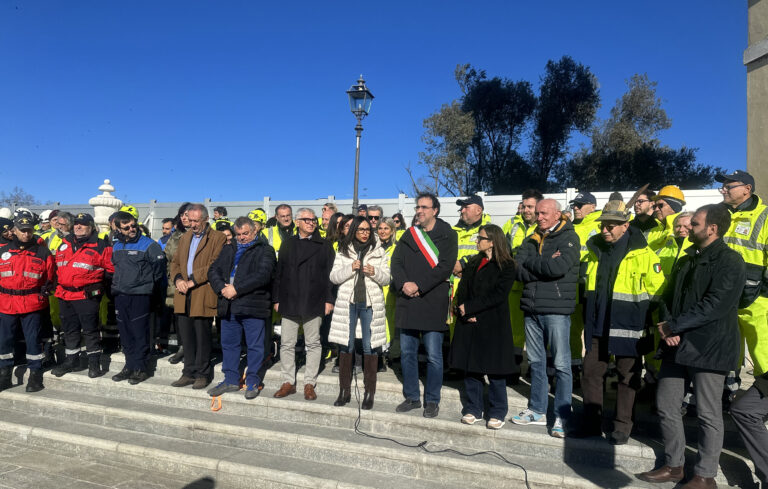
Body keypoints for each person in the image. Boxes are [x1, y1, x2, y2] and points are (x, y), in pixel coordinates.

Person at [638, 204, 745, 489]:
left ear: (712, 228)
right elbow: (668, 296)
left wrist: (676, 326)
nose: (687, 228)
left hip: (710, 347)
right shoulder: (687, 259)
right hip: (677, 345)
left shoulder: (730, 261)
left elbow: (715, 305)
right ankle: (674, 466)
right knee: (666, 405)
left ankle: (704, 475)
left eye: (694, 224)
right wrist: (667, 325)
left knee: (708, 413)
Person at [573, 200, 665, 445]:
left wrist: (639, 316)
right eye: (603, 225)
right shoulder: (593, 250)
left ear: (625, 226)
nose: (605, 230)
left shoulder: (645, 254)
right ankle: (592, 422)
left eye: (612, 226)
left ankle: (623, 426)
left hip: (630, 327)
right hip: (597, 325)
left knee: (628, 378)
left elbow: (658, 293)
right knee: (591, 373)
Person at [512, 199, 579, 438]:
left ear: (557, 214)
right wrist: (542, 264)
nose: (538, 217)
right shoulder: (532, 237)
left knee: (561, 365)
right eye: (537, 212)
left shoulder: (569, 237)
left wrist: (534, 265)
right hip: (531, 308)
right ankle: (537, 410)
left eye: (543, 213)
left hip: (557, 310)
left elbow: (558, 268)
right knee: (536, 363)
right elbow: (516, 267)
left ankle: (562, 414)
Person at [390, 192, 458, 418]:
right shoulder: (410, 234)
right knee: (408, 353)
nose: (419, 211)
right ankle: (412, 397)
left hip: (432, 302)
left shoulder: (448, 234)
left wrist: (419, 285)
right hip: (408, 301)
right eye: (417, 207)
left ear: (435, 210)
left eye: (424, 207)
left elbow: (445, 267)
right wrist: (404, 284)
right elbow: (396, 262)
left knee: (434, 356)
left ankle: (432, 400)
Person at [449, 224, 517, 430]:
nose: (476, 241)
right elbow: (463, 288)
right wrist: (463, 310)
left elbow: (498, 295)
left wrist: (471, 308)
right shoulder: (475, 261)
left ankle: (497, 411)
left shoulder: (506, 265)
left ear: (493, 241)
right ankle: (473, 408)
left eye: (480, 238)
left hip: (492, 323)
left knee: (495, 370)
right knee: (472, 368)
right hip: (469, 322)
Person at [207, 217, 277, 400]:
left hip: (253, 305)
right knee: (229, 344)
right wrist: (222, 288)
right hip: (229, 305)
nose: (242, 238)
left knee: (255, 345)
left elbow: (262, 275)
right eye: (238, 234)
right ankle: (230, 379)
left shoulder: (265, 250)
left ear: (254, 231)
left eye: (245, 233)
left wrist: (237, 289)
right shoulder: (228, 249)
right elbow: (213, 270)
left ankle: (252, 381)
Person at [272, 208, 335, 400]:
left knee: (313, 343)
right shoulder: (287, 244)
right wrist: (276, 299)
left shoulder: (324, 245)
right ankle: (288, 381)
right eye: (306, 220)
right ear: (297, 222)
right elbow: (278, 274)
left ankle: (309, 383)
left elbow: (330, 277)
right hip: (290, 300)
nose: (311, 223)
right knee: (287, 343)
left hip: (314, 300)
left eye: (313, 220)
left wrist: (329, 300)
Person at [329, 216, 390, 409]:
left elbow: (388, 278)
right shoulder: (343, 250)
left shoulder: (379, 250)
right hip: (348, 304)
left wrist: (375, 272)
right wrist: (350, 267)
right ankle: (344, 391)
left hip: (369, 305)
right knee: (346, 346)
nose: (364, 233)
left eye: (367, 230)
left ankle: (369, 393)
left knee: (369, 346)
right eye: (360, 229)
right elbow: (333, 277)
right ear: (354, 230)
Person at [169, 204, 226, 390]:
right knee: (186, 336)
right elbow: (175, 262)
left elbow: (214, 264)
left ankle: (202, 373)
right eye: (190, 220)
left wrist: (193, 281)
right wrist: (178, 279)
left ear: (206, 219)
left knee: (202, 336)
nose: (192, 224)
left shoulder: (218, 238)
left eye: (196, 221)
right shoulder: (185, 237)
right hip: (183, 292)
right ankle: (188, 372)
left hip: (202, 291)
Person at [51, 213, 114, 378]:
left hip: (86, 296)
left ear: (91, 226)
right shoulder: (64, 244)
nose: (78, 227)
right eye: (77, 224)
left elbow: (111, 271)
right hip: (65, 295)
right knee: (69, 330)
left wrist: (100, 287)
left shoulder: (101, 246)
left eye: (83, 224)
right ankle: (71, 361)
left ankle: (94, 364)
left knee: (90, 330)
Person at [0, 214, 55, 392]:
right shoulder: (2, 251)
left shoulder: (42, 252)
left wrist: (44, 291)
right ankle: (5, 374)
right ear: (14, 231)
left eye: (29, 230)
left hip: (32, 303)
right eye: (22, 230)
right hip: (6, 303)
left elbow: (50, 277)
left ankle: (35, 374)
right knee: (5, 341)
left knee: (33, 340)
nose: (26, 234)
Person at [110, 211, 166, 385]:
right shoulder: (117, 246)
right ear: (118, 229)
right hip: (121, 294)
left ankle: (141, 368)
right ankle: (129, 365)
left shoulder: (149, 245)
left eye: (133, 225)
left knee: (139, 332)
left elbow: (159, 270)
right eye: (126, 227)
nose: (131, 229)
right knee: (125, 333)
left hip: (140, 295)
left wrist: (148, 287)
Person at [502, 189, 543, 379]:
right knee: (514, 328)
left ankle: (538, 369)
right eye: (524, 206)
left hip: (538, 285)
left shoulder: (546, 225)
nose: (526, 210)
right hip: (514, 285)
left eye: (530, 207)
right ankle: (514, 365)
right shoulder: (512, 224)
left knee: (538, 329)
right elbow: (501, 249)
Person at [569, 191, 602, 385]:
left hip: (591, 285)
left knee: (594, 329)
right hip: (573, 284)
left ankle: (597, 369)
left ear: (592, 206)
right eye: (575, 204)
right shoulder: (570, 227)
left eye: (580, 205)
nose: (576, 208)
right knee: (572, 329)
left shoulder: (600, 225)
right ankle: (574, 366)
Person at [164, 203, 190, 365]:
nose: (184, 218)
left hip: (195, 281)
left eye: (187, 214)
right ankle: (182, 347)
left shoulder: (200, 233)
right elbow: (168, 256)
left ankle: (191, 349)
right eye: (181, 214)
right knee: (179, 316)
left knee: (194, 318)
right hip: (175, 281)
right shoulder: (175, 235)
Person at [647, 186, 686, 251]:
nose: (656, 209)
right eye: (655, 206)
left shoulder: (686, 229)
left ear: (674, 207)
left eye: (660, 205)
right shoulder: (651, 230)